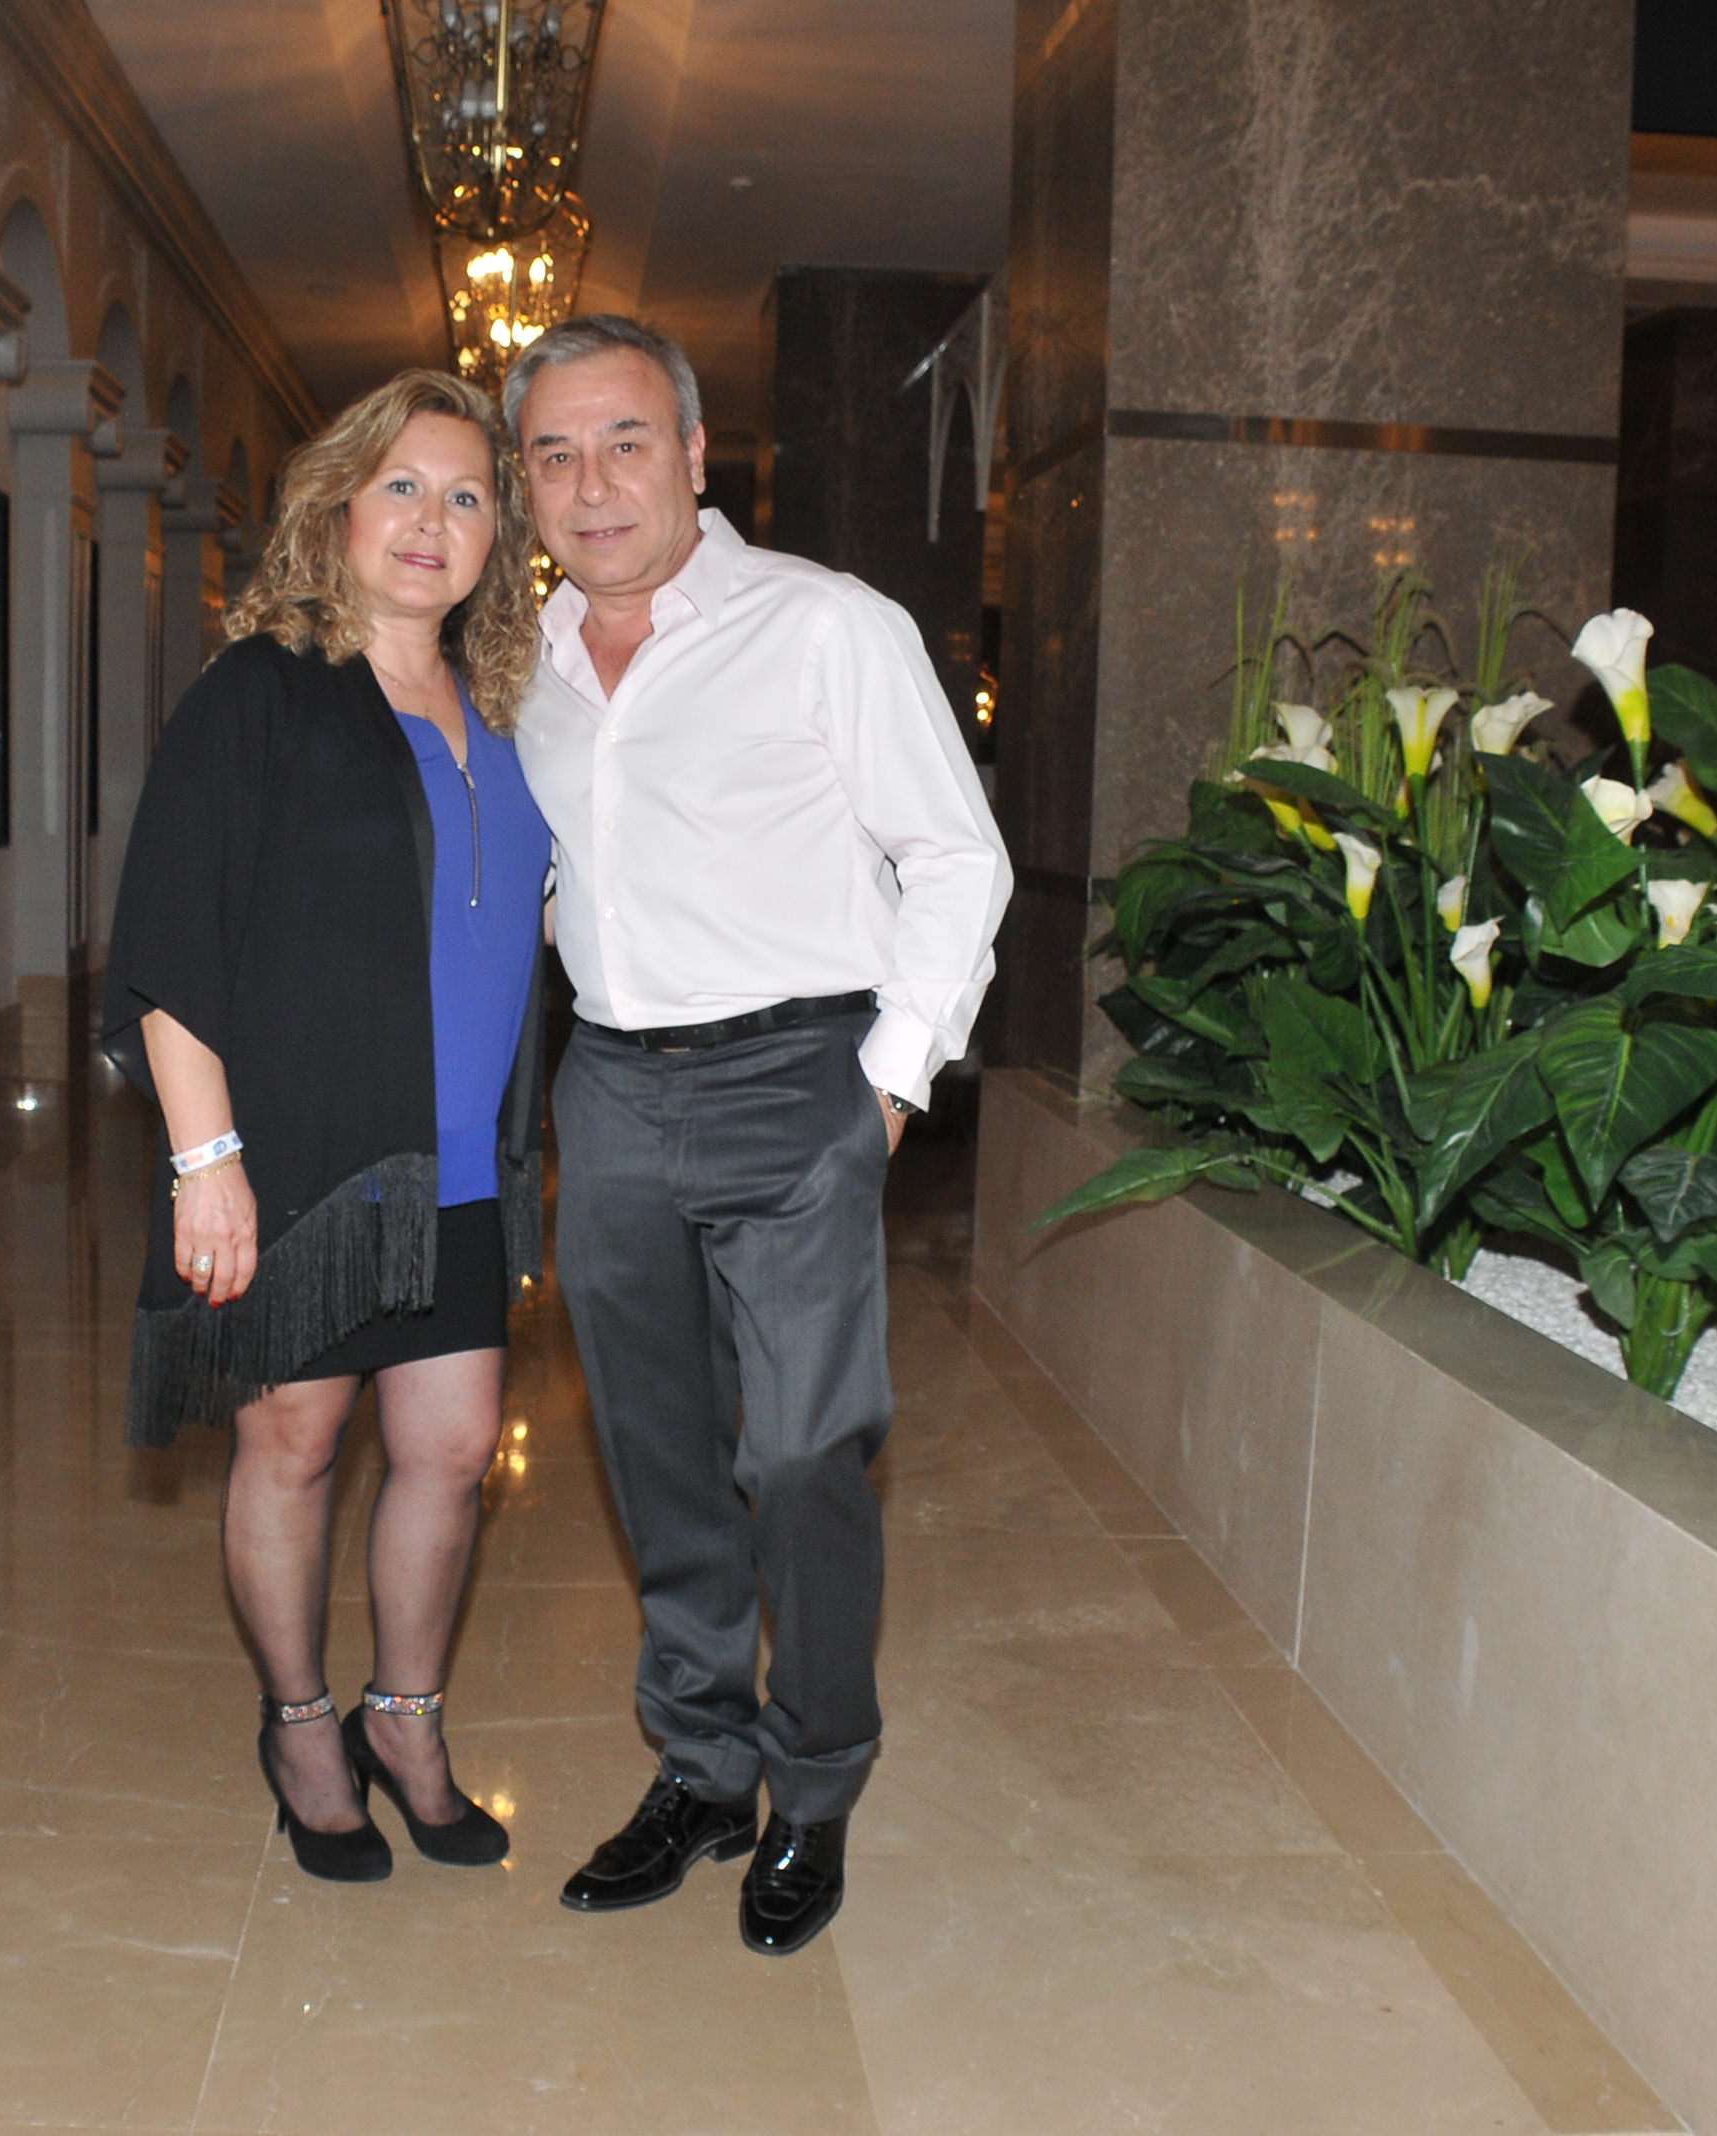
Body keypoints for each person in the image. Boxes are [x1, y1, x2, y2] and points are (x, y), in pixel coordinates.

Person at [502, 316, 1011, 1955]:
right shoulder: (526, 668)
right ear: (526, 485)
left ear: (696, 454)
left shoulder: (825, 625)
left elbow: (958, 859)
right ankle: (705, 1765)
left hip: (800, 1075)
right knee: (655, 1449)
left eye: (626, 442)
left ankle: (817, 1778)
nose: (594, 484)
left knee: (799, 1453)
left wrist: (888, 1085)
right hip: (612, 1086)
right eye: (556, 454)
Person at [103, 370, 555, 1884]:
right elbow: (170, 935)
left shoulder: (512, 712)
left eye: (468, 495)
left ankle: (404, 1719)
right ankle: (301, 1725)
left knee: (452, 1448)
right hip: (301, 1146)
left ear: (499, 537)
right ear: (338, 506)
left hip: (464, 1157)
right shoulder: (264, 690)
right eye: (402, 487)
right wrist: (206, 1162)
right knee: (293, 1443)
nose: (433, 521)